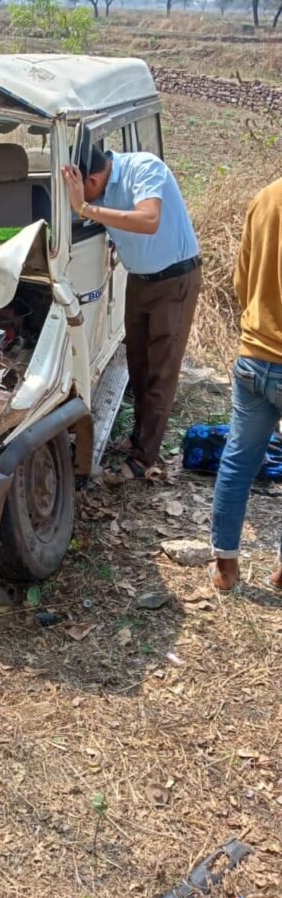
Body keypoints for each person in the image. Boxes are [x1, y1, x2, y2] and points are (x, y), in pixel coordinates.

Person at [62, 146, 201, 481]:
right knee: (137, 362)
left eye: (80, 190)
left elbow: (149, 219)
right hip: (140, 279)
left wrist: (85, 207)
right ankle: (139, 438)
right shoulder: (101, 189)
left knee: (160, 372)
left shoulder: (144, 169)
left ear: (92, 179)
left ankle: (142, 460)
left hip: (174, 280)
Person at [210, 178, 282, 593]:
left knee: (237, 462)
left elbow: (242, 280)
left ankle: (225, 568)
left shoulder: (265, 198)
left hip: (254, 357)